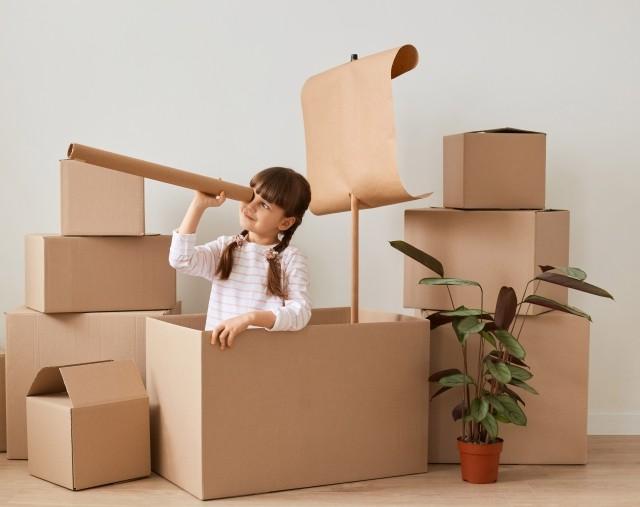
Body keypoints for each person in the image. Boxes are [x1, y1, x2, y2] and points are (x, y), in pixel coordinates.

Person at [169, 167, 312, 351]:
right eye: (251, 195)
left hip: (263, 359)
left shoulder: (291, 258)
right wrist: (198, 204)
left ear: (285, 223)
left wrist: (249, 318)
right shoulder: (226, 248)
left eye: (264, 205)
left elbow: (300, 313)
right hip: (219, 354)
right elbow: (180, 260)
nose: (251, 206)